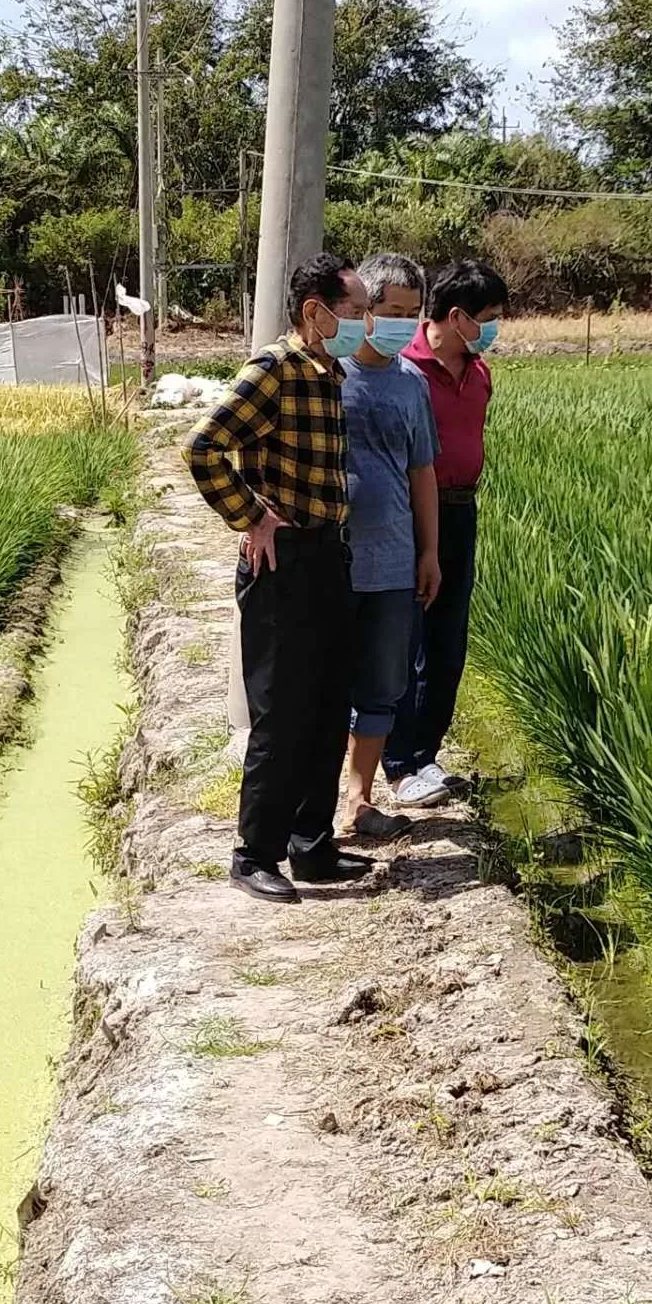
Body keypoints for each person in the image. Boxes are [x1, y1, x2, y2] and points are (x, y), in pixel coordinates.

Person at [182, 253, 373, 905]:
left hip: (328, 556)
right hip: (281, 564)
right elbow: (203, 447)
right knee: (283, 712)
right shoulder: (276, 369)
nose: (363, 322)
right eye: (354, 311)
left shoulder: (330, 370)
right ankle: (253, 853)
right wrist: (252, 516)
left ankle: (312, 845)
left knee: (327, 707)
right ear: (314, 310)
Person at [383, 259, 509, 807]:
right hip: (410, 515)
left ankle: (425, 756)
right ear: (456, 317)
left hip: (461, 511)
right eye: (489, 318)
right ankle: (397, 760)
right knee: (404, 639)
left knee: (448, 642)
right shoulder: (403, 367)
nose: (494, 329)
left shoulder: (478, 371)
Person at [340, 253, 441, 840]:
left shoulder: (411, 383)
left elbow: (421, 471)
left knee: (382, 685)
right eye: (391, 311)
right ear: (364, 311)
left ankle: (359, 799)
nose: (402, 323)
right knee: (327, 682)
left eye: (412, 313)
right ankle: (313, 805)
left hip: (394, 559)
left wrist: (428, 552)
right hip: (333, 560)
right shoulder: (327, 374)